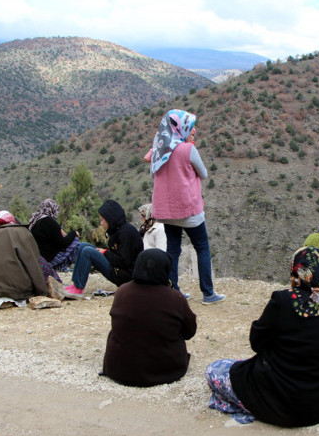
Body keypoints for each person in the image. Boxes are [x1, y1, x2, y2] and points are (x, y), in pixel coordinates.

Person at [204, 246, 319, 427]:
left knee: (214, 370)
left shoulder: (284, 301)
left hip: (285, 401)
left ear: (296, 270)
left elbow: (257, 342)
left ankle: (247, 405)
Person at [149, 109, 225, 305]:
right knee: (202, 247)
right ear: (180, 128)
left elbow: (147, 158)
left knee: (173, 250)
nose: (193, 131)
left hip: (167, 211)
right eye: (190, 127)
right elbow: (204, 173)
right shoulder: (187, 149)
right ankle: (208, 293)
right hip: (189, 209)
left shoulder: (160, 148)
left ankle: (173, 290)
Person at [102, 248, 197, 387]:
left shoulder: (122, 291)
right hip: (163, 371)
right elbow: (189, 332)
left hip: (119, 369)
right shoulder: (175, 298)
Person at [65, 199, 143, 297]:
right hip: (119, 268)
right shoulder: (117, 230)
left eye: (102, 220)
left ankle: (78, 289)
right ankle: (76, 284)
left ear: (111, 218)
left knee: (88, 252)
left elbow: (124, 262)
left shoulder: (126, 233)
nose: (101, 224)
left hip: (125, 275)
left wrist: (105, 253)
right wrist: (105, 252)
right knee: (83, 245)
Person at [28, 198, 80, 272]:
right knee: (75, 240)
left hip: (39, 258)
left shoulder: (35, 220)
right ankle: (61, 266)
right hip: (49, 258)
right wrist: (74, 233)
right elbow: (62, 244)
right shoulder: (49, 222)